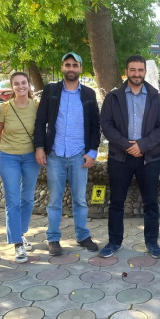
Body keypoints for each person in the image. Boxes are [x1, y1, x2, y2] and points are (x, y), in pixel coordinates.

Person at [99, 55, 160, 258]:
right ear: (126, 71)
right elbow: (106, 125)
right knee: (116, 202)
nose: (136, 74)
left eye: (140, 70)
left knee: (151, 203)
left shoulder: (156, 97)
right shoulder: (113, 97)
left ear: (145, 72)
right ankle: (114, 242)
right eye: (133, 69)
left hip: (148, 158)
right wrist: (126, 145)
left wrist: (142, 145)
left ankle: (151, 242)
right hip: (120, 157)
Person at [34, 52, 101, 255]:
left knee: (80, 199)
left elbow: (95, 125)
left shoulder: (89, 94)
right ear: (62, 67)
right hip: (55, 154)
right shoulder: (51, 90)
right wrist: (39, 147)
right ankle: (53, 238)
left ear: (80, 68)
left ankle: (82, 235)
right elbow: (40, 120)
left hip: (79, 154)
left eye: (75, 65)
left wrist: (92, 151)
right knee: (55, 200)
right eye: (67, 65)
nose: (71, 68)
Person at [0, 72, 41, 263]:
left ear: (29, 85)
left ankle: (20, 233)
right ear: (12, 87)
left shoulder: (37, 106)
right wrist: (5, 147)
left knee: (27, 198)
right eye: (16, 84)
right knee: (13, 200)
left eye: (24, 83)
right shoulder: (4, 108)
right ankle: (17, 244)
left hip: (31, 157)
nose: (21, 86)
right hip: (9, 158)